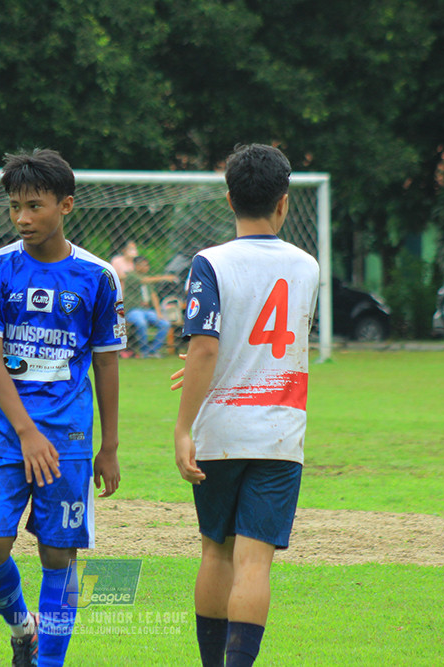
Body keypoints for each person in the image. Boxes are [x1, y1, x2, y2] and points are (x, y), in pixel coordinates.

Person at [0, 148, 125, 667]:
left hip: (68, 436)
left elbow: (106, 363)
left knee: (59, 555)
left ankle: (49, 662)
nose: (22, 218)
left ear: (66, 205)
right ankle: (23, 628)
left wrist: (109, 445)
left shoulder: (99, 276)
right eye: (15, 206)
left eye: (34, 206)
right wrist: (25, 431)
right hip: (4, 433)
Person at [171, 144, 320, 667]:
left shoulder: (209, 262)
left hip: (221, 431)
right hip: (280, 433)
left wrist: (183, 428)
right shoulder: (308, 266)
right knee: (255, 563)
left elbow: (206, 348)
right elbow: (277, 342)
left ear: (230, 198)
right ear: (283, 203)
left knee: (216, 550)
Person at [123, 255, 172, 358]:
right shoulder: (131, 276)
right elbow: (144, 281)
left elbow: (153, 295)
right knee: (141, 323)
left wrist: (158, 312)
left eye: (147, 265)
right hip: (133, 310)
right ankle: (144, 352)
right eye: (144, 265)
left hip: (147, 310)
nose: (147, 267)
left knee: (165, 324)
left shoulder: (147, 279)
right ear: (137, 266)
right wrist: (165, 278)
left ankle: (153, 351)